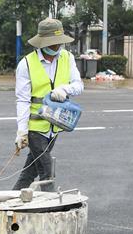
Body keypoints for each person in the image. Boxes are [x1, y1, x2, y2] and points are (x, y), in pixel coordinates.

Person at [13, 17, 83, 192]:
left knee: (31, 171)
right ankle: (50, 206)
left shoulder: (68, 58)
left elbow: (79, 85)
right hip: (35, 126)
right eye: (52, 43)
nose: (56, 47)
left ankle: (10, 200)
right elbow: (22, 100)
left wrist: (65, 89)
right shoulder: (26, 64)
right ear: (42, 43)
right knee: (46, 169)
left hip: (57, 123)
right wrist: (22, 131)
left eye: (59, 43)